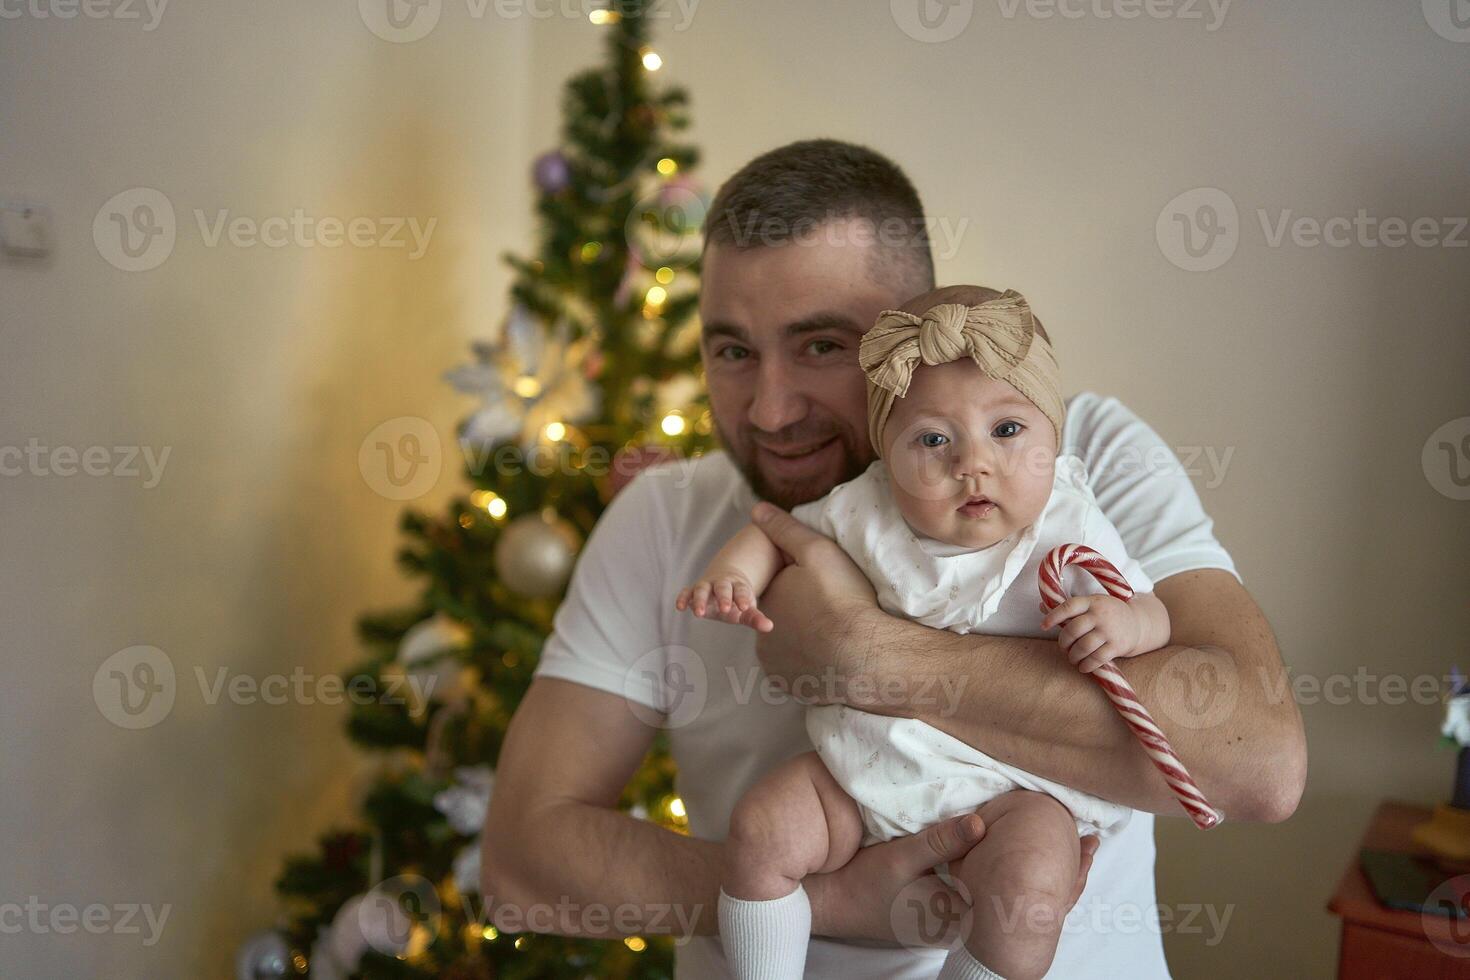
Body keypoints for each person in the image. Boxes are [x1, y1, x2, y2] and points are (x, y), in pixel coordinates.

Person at [482, 139, 1306, 979]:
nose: (769, 410)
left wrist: (865, 656)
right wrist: (824, 900)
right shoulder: (666, 517)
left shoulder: (1076, 461)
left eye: (822, 345)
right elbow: (520, 862)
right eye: (732, 351)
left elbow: (1259, 766)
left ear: (916, 332)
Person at [679, 284, 1174, 980]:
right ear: (886, 452)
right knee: (763, 830)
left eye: (1007, 430)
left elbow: (1155, 614)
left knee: (1030, 896)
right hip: (868, 765)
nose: (972, 463)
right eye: (933, 440)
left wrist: (1123, 623)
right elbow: (775, 534)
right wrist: (734, 571)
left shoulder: (1073, 524)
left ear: (1053, 435)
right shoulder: (867, 510)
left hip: (1019, 788)